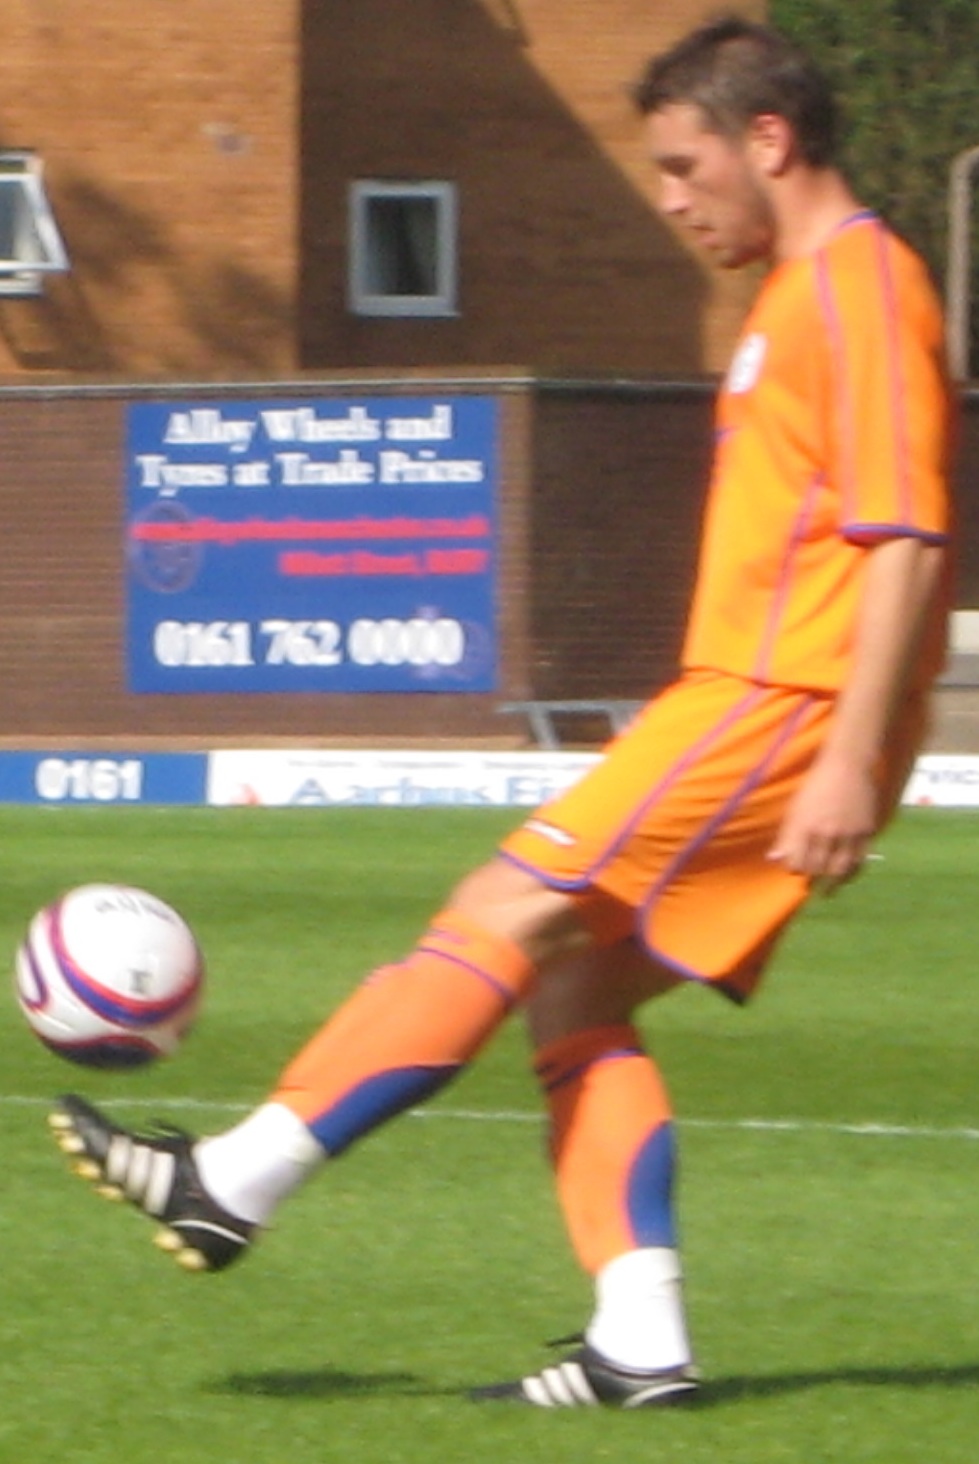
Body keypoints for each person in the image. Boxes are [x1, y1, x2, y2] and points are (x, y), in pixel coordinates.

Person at [50, 13, 954, 1410]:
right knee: (574, 995)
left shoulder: (859, 283)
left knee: (498, 909)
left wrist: (843, 751)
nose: (665, 200)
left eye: (678, 165)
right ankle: (642, 1337)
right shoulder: (797, 296)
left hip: (779, 708)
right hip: (764, 707)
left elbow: (908, 537)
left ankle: (233, 1180)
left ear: (767, 142)